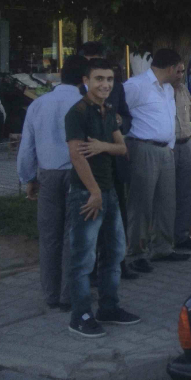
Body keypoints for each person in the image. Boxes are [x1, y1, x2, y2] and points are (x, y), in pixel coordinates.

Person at [65, 58, 139, 336]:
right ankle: (80, 316)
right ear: (86, 81)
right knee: (83, 260)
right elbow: (76, 155)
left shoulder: (108, 111)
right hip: (87, 194)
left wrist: (102, 146)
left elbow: (122, 148)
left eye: (109, 79)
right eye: (99, 79)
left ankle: (108, 308)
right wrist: (94, 192)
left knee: (114, 253)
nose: (105, 84)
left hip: (109, 192)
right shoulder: (77, 113)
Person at [17, 55, 88, 311]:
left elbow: (27, 146)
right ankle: (69, 295)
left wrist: (28, 178)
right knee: (73, 235)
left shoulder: (39, 104)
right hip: (78, 174)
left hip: (47, 175)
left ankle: (50, 293)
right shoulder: (85, 104)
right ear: (84, 79)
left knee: (49, 237)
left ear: (61, 75)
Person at [123, 49, 189, 273]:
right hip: (143, 148)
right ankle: (136, 253)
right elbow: (120, 113)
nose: (180, 73)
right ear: (170, 68)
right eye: (178, 69)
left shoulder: (167, 88)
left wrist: (170, 145)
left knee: (166, 202)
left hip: (165, 150)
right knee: (141, 204)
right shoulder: (136, 86)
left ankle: (162, 247)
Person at [79, 42, 135, 279]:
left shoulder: (116, 87)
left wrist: (122, 122)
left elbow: (128, 117)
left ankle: (119, 263)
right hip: (90, 162)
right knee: (92, 217)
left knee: (117, 214)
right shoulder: (76, 91)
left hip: (114, 162)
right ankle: (92, 270)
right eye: (90, 61)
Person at [171, 63, 191, 251]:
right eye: (177, 71)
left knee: (187, 190)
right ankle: (163, 239)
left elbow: (190, 117)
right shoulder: (161, 91)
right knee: (167, 193)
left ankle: (182, 235)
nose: (180, 75)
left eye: (182, 71)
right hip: (169, 145)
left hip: (186, 142)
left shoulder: (183, 89)